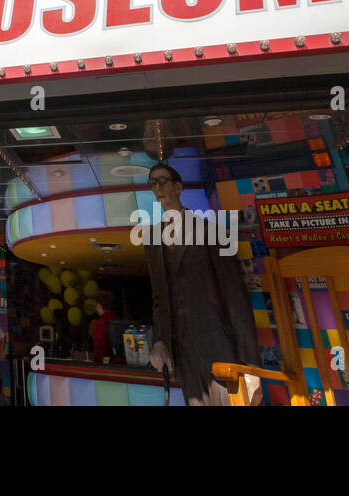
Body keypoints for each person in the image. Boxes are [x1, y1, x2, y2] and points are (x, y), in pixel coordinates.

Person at [143, 162, 261, 405]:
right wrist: (159, 340)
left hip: (220, 345)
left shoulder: (212, 231)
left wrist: (251, 366)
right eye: (153, 182)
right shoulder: (152, 241)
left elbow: (235, 298)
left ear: (178, 187)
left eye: (162, 181)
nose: (157, 187)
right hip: (182, 351)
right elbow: (159, 299)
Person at [90, 289, 119, 363]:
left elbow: (99, 352)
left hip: (106, 366)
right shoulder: (117, 320)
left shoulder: (98, 325)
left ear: (99, 304)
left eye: (95, 304)